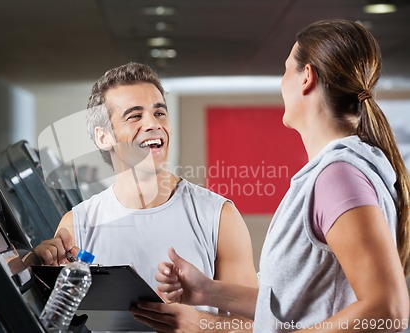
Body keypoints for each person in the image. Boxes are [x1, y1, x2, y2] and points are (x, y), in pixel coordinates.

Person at [156, 19, 410, 333]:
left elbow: (389, 310)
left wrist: (209, 326)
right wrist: (207, 291)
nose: (282, 82)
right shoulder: (334, 172)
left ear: (307, 78)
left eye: (287, 69)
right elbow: (295, 307)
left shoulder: (339, 176)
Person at [34, 62, 258, 331]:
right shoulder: (76, 224)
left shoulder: (218, 216)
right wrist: (37, 268)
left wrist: (204, 326)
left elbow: (256, 324)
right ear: (104, 137)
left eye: (160, 113)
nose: (153, 124)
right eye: (134, 116)